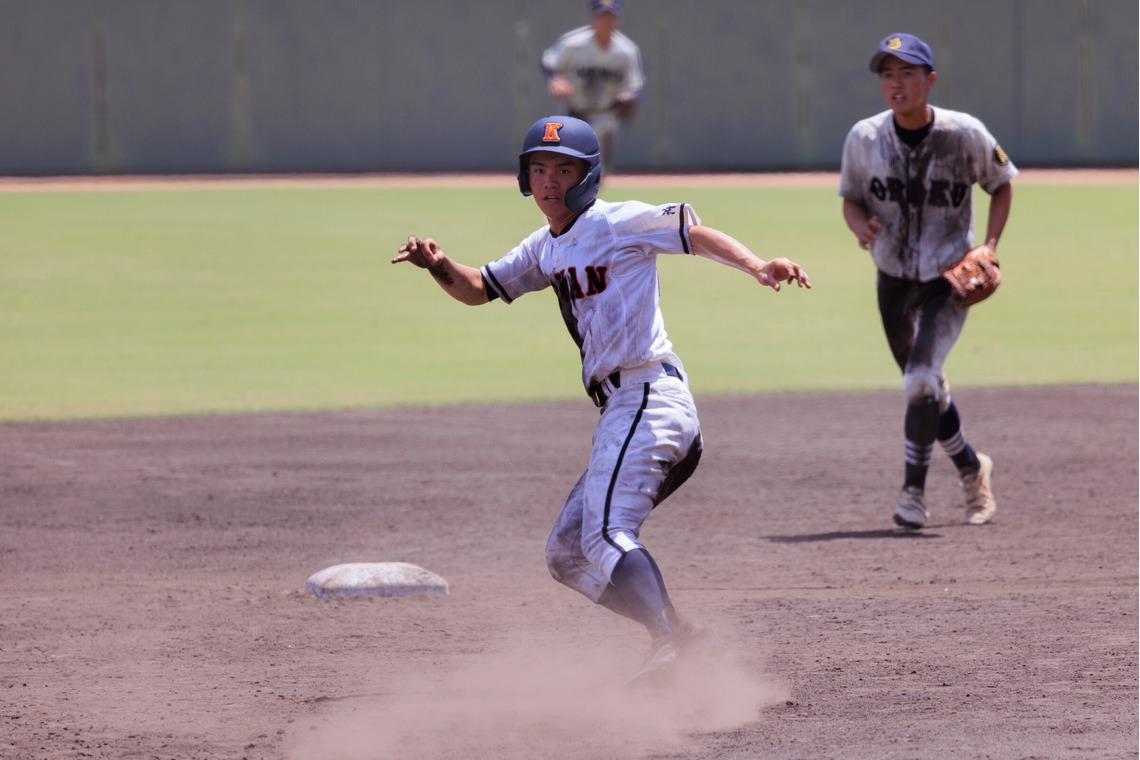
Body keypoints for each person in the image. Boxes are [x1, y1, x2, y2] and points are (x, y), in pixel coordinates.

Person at [392, 115, 810, 684]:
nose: (548, 181)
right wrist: (437, 263)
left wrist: (758, 265)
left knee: (605, 533)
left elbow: (693, 232)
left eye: (563, 169)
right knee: (567, 553)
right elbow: (479, 289)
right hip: (622, 411)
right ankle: (685, 640)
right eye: (538, 169)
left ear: (586, 176)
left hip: (650, 396)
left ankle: (668, 641)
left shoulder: (617, 221)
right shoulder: (545, 246)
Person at [838, 33, 1016, 530]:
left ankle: (912, 496)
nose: (896, 84)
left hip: (948, 279)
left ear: (929, 80)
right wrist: (858, 226)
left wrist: (990, 247)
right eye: (887, 75)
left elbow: (1002, 185)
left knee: (919, 381)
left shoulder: (965, 134)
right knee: (926, 387)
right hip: (892, 277)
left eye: (907, 73)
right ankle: (971, 468)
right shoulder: (864, 137)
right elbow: (851, 198)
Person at [541, 0, 644, 176]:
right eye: (602, 16)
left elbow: (635, 86)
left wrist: (630, 95)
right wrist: (555, 79)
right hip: (575, 113)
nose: (606, 21)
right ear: (593, 18)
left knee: (599, 173)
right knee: (569, 166)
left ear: (618, 18)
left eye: (610, 16)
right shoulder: (574, 43)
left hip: (607, 115)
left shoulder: (626, 51)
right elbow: (548, 62)